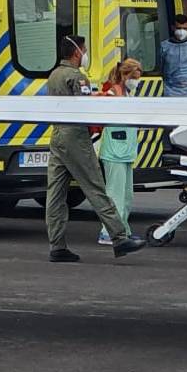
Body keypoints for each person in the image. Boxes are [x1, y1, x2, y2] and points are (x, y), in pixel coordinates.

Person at [43, 35, 147, 262]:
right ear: (76, 52)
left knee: (56, 193)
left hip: (58, 135)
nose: (86, 54)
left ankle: (57, 245)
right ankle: (119, 237)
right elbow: (86, 108)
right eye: (85, 50)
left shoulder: (53, 75)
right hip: (76, 136)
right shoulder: (76, 76)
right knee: (95, 186)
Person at [95, 58, 144, 246]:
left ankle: (122, 229)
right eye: (134, 77)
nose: (137, 81)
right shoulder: (113, 93)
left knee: (126, 195)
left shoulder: (128, 93)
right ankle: (108, 232)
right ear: (124, 75)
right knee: (115, 194)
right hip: (114, 151)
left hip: (126, 151)